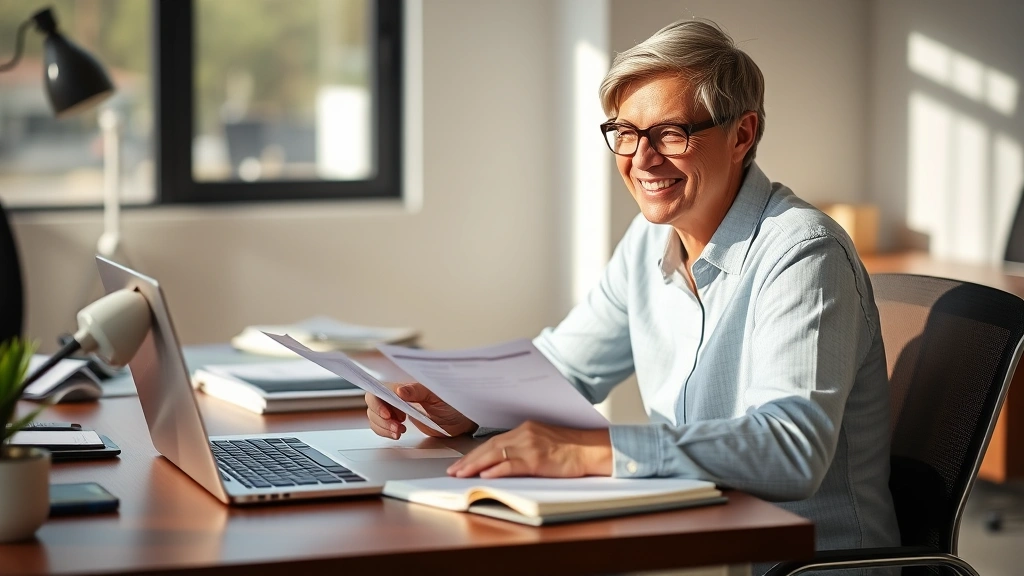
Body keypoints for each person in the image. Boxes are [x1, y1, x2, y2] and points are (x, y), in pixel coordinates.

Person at [365, 17, 900, 563]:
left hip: (807, 566)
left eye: (670, 133)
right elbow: (563, 366)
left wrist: (591, 452)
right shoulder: (650, 240)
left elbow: (791, 449)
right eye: (625, 132)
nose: (641, 159)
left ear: (741, 134)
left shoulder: (802, 253)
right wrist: (463, 403)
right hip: (694, 542)